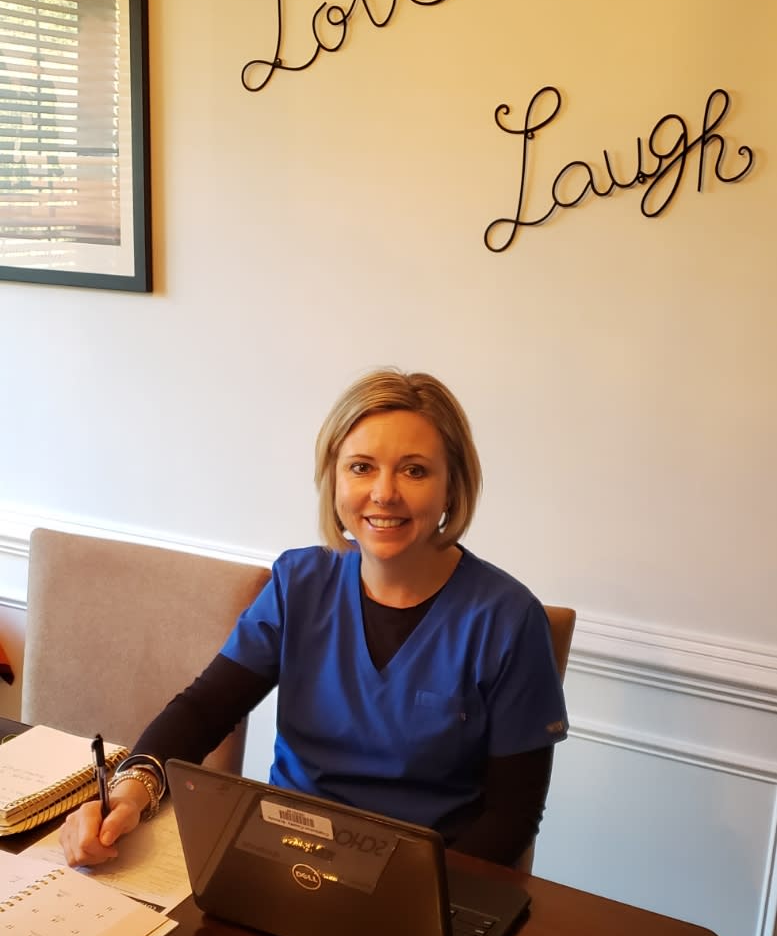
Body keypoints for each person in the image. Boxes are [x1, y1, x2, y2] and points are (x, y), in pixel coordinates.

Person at [61, 368, 568, 870]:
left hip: (424, 881)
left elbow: (511, 818)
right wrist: (129, 793)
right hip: (283, 857)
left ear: (451, 486)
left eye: (414, 470)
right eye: (362, 467)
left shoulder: (507, 619)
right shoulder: (299, 582)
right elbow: (203, 710)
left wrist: (416, 896)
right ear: (333, 478)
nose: (384, 493)